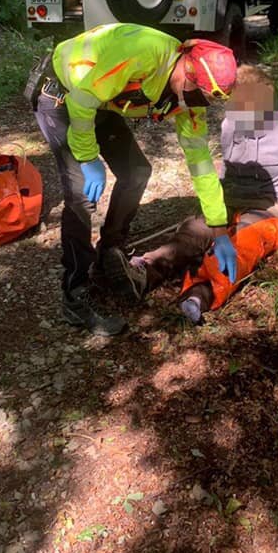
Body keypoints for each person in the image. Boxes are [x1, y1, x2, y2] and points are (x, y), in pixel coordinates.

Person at [33, 23, 239, 336]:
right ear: (185, 63)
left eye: (205, 97)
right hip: (63, 94)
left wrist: (219, 229)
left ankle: (110, 253)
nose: (195, 98)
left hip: (99, 100)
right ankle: (75, 295)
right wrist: (88, 158)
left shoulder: (188, 99)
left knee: (136, 172)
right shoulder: (141, 54)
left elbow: (201, 165)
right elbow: (81, 99)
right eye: (195, 87)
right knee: (79, 193)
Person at [110, 63, 278, 323]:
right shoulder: (230, 125)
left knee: (244, 243)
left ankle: (201, 294)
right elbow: (226, 167)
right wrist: (215, 203)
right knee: (193, 232)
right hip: (230, 199)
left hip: (269, 208)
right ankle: (145, 271)